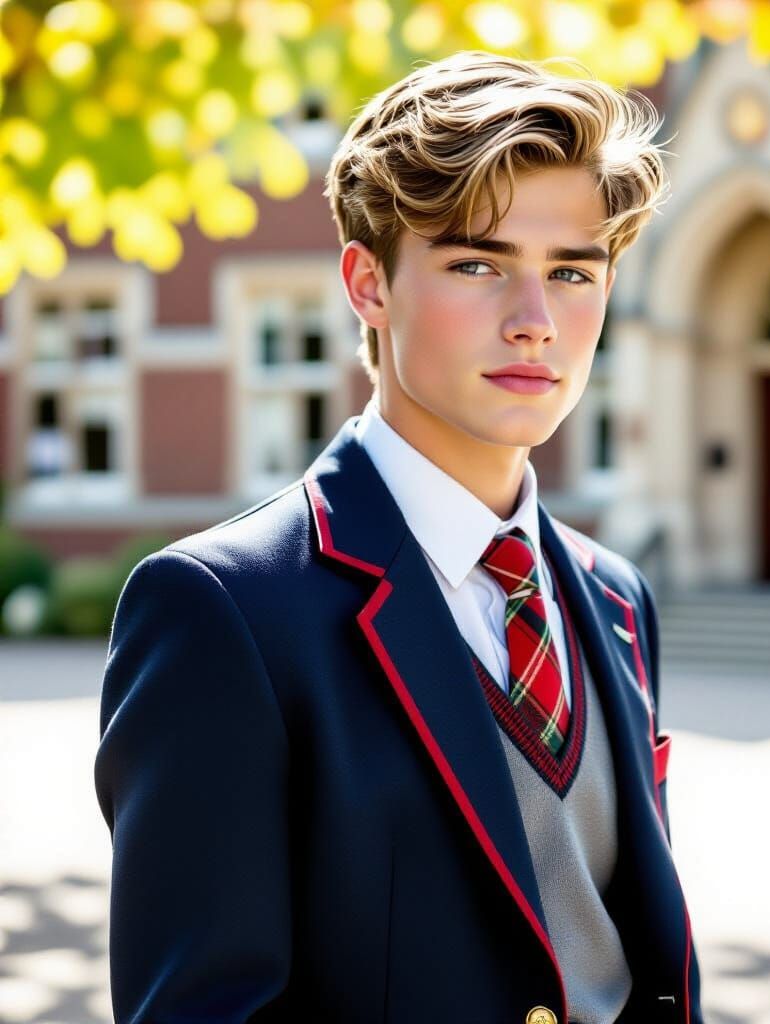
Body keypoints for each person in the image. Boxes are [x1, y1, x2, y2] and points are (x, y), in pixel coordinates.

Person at [94, 49, 705, 1024]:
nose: (536, 321)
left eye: (572, 272)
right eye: (477, 264)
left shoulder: (615, 595)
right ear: (368, 284)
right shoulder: (222, 609)